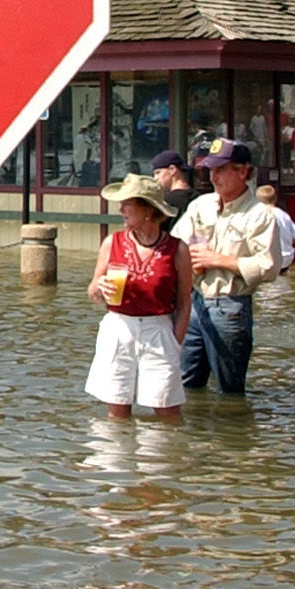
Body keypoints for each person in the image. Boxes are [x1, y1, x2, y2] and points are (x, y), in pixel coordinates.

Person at [170, 139, 283, 394]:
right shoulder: (201, 205)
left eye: (220, 170)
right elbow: (175, 243)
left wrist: (218, 260)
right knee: (184, 384)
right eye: (210, 170)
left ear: (243, 172)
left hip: (231, 306)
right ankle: (191, 420)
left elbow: (269, 267)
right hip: (194, 301)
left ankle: (232, 421)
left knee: (230, 390)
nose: (213, 177)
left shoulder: (260, 214)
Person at [85, 174, 193, 421]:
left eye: (127, 204)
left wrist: (175, 344)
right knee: (117, 410)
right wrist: (99, 288)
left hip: (158, 330)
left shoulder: (178, 249)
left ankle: (167, 448)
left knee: (167, 410)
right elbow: (92, 291)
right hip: (118, 328)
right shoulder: (112, 242)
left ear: (147, 209)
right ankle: (115, 447)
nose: (120, 209)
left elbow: (185, 303)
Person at [151, 150, 196, 216]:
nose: (155, 178)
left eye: (158, 173)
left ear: (172, 169)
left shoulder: (166, 203)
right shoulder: (198, 197)